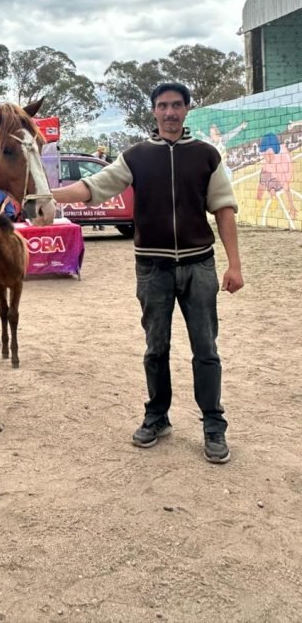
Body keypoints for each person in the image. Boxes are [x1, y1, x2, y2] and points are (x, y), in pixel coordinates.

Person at [53, 82, 244, 464]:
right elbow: (95, 187)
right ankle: (157, 416)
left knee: (206, 350)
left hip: (198, 265)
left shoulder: (207, 156)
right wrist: (46, 197)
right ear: (153, 112)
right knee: (155, 348)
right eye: (162, 106)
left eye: (176, 105)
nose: (169, 112)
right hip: (152, 267)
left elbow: (223, 208)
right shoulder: (135, 156)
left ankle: (213, 424)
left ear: (187, 109)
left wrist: (234, 265)